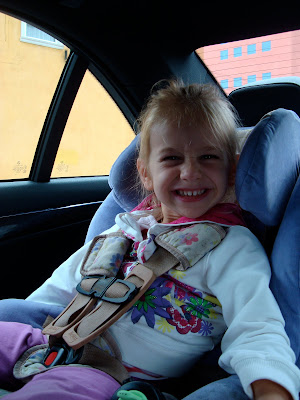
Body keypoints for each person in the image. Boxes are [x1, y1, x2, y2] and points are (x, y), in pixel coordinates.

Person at [0, 80, 299, 400]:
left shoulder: (230, 246)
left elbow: (257, 330)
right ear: (145, 173)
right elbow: (61, 289)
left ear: (232, 171)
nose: (189, 173)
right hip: (46, 344)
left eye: (208, 157)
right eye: (171, 159)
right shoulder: (122, 230)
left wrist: (271, 387)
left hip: (105, 373)